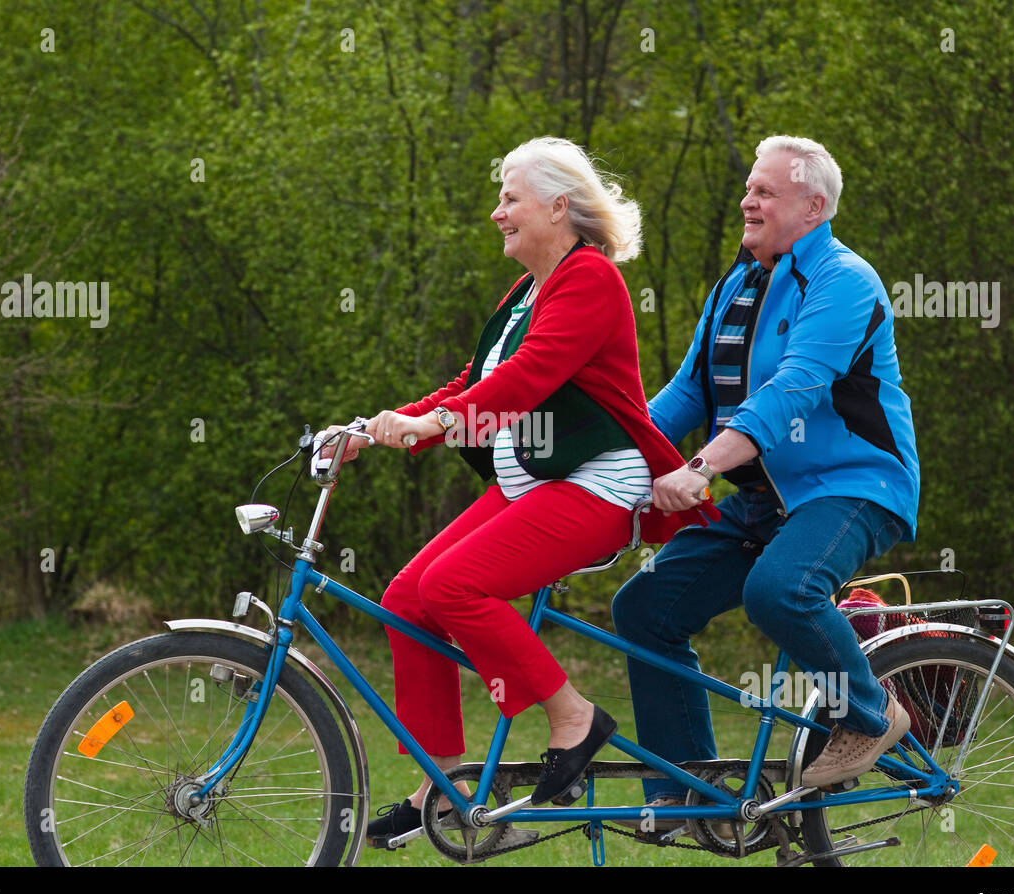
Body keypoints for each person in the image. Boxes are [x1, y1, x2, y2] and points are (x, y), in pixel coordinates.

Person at [325, 137, 719, 848]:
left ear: (558, 207)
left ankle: (574, 717)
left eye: (510, 198)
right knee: (407, 598)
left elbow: (531, 377)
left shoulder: (590, 279)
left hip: (598, 482)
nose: (497, 212)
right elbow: (477, 385)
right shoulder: (529, 291)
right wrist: (371, 430)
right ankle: (440, 781)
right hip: (535, 480)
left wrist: (433, 423)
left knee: (452, 588)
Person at [612, 135, 920, 835]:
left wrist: (700, 468)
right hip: (763, 501)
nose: (748, 200)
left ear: (813, 207)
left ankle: (873, 714)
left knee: (780, 588)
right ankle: (692, 794)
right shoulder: (739, 282)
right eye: (749, 188)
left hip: (853, 486)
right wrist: (611, 454)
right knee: (645, 609)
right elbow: (688, 393)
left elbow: (793, 390)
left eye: (765, 192)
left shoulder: (844, 281)